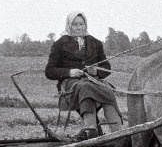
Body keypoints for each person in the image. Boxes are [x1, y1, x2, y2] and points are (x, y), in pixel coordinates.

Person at [45, 11, 123, 140]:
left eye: (81, 24)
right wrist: (69, 72)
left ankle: (119, 133)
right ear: (69, 25)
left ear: (85, 25)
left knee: (107, 88)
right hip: (69, 85)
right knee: (84, 86)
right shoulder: (59, 44)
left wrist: (96, 72)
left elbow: (107, 68)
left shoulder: (95, 43)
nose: (78, 27)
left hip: (94, 82)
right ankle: (91, 130)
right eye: (75, 24)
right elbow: (50, 71)